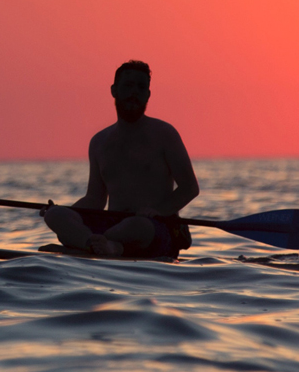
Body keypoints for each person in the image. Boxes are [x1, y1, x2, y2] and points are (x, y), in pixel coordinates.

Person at [43, 60, 200, 257]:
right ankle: (97, 244)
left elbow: (190, 188)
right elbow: (95, 199)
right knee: (55, 215)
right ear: (114, 90)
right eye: (128, 86)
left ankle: (95, 244)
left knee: (137, 226)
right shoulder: (99, 142)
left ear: (148, 95)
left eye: (141, 87)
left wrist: (158, 210)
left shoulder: (165, 134)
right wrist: (67, 212)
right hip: (111, 224)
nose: (134, 92)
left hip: (152, 227)